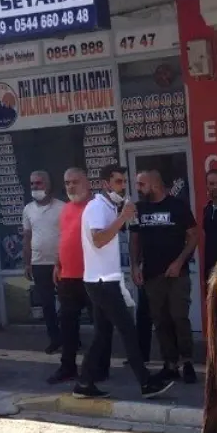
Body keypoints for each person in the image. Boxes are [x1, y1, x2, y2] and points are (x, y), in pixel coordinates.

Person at [72, 164, 174, 401]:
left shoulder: (109, 207)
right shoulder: (98, 207)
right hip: (101, 282)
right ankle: (146, 383)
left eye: (124, 182)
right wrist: (122, 218)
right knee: (128, 330)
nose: (123, 186)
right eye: (118, 182)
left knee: (102, 334)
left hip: (103, 279)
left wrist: (124, 217)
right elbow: (98, 239)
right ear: (106, 184)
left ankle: (84, 382)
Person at [131, 170, 199, 385]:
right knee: (160, 321)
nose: (138, 189)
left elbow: (194, 236)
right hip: (152, 274)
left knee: (179, 317)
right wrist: (134, 266)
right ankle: (170, 364)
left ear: (155, 185)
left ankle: (187, 362)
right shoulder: (138, 209)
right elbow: (135, 239)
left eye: (141, 184)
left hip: (177, 274)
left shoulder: (178, 206)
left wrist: (179, 262)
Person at [48, 168, 110, 385]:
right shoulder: (65, 209)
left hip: (93, 277)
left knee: (100, 325)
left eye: (75, 182)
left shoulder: (96, 207)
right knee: (67, 325)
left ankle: (99, 368)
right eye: (67, 183)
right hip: (68, 277)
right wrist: (58, 263)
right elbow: (64, 238)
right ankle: (68, 367)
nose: (71, 186)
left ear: (87, 183)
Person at [22, 170, 63, 354]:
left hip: (61, 263)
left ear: (48, 184)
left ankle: (71, 338)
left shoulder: (62, 207)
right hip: (39, 264)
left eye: (38, 183)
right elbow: (27, 237)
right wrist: (27, 262)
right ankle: (54, 339)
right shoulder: (28, 209)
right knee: (47, 305)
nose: (35, 187)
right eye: (32, 184)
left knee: (68, 304)